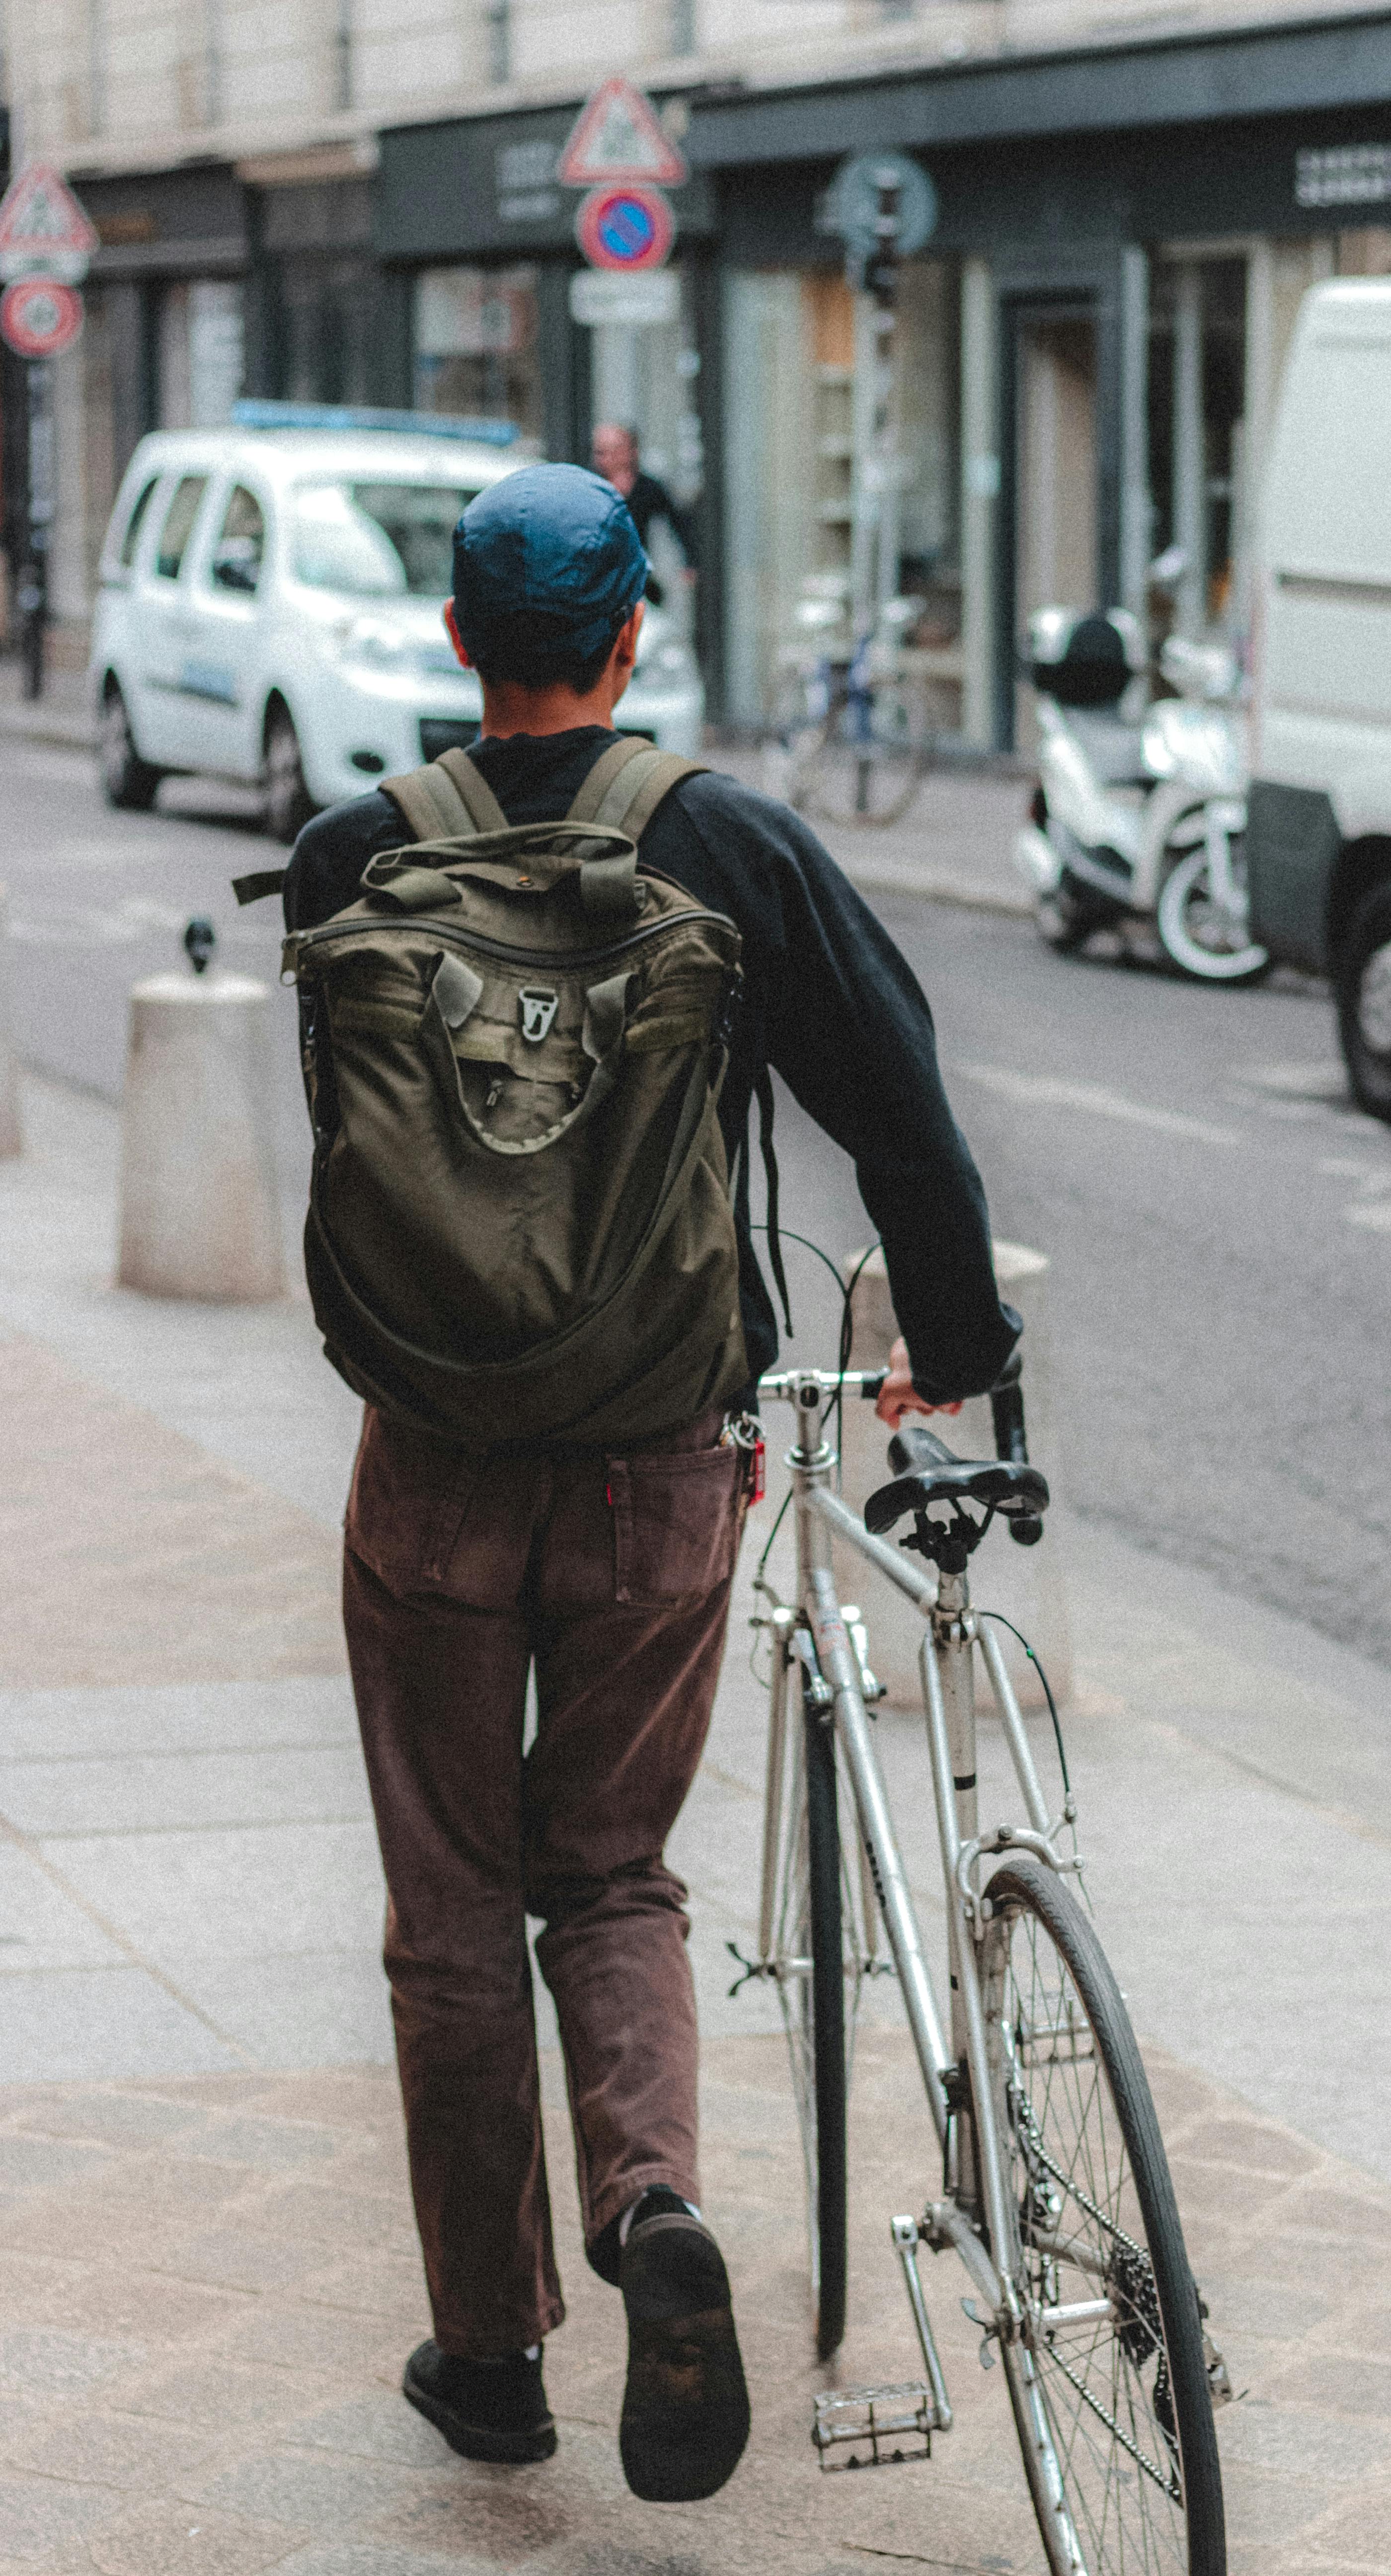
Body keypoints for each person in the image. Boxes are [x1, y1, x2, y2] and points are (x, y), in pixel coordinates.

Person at [284, 464, 1019, 2501]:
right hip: (653, 1474)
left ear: (457, 643)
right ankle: (650, 2210)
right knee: (605, 1870)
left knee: (451, 1908)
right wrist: (953, 1347)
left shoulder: (357, 852)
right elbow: (902, 1111)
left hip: (431, 1468)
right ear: (632, 641)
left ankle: (490, 2354)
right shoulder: (732, 845)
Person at [591, 420, 697, 604]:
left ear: (632, 451)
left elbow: (678, 522)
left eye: (615, 450)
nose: (608, 458)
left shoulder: (647, 488)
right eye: (601, 452)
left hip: (636, 574)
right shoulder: (591, 486)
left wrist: (690, 562)